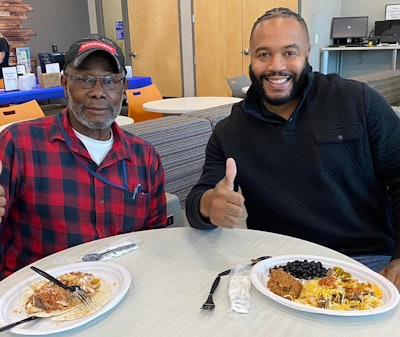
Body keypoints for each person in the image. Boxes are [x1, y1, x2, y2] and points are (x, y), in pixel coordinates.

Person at [185, 7, 400, 290]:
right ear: (250, 56)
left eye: (289, 52)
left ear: (307, 52)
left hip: (367, 261)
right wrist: (208, 205)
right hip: (280, 265)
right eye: (264, 54)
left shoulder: (357, 101)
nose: (276, 66)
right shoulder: (229, 132)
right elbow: (196, 205)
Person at [0, 34, 167, 279]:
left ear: (124, 89)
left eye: (110, 81)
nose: (98, 92)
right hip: (33, 301)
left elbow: (155, 239)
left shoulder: (145, 157)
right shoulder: (19, 144)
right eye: (85, 79)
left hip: (119, 291)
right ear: (65, 84)